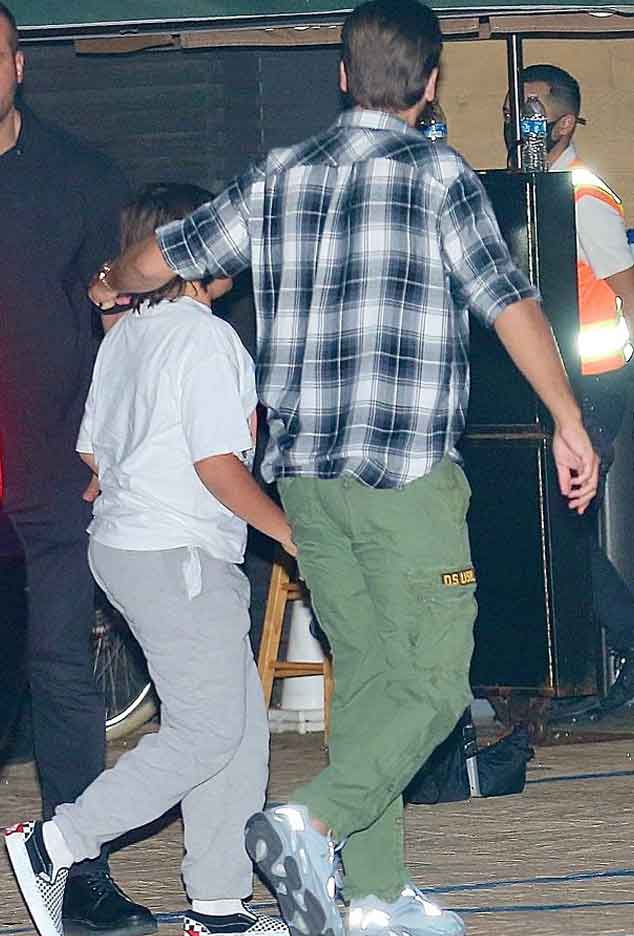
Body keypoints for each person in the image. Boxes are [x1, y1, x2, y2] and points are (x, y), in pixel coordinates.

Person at [85, 4, 599, 935]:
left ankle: (372, 894)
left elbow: (161, 255)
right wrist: (568, 418)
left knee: (366, 683)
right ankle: (313, 820)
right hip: (405, 479)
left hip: (309, 488)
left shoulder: (278, 174)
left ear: (341, 75)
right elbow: (509, 301)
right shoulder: (438, 175)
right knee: (435, 681)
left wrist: (115, 282)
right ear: (431, 84)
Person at [5, 181, 295, 936]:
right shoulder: (206, 340)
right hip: (178, 555)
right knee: (206, 731)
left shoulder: (127, 336)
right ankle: (58, 843)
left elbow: (93, 454)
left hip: (129, 546)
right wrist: (293, 535)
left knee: (237, 729)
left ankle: (219, 904)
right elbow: (218, 467)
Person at [0, 4, 158, 931]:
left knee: (61, 669)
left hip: (56, 473)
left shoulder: (83, 177)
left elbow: (122, 322)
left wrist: (117, 441)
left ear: (20, 63)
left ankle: (76, 870)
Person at [503, 64, 634, 720]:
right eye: (512, 111)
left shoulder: (582, 196)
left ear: (562, 123)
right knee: (552, 528)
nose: (516, 124)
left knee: (567, 529)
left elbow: (627, 288)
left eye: (530, 113)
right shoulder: (531, 191)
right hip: (554, 382)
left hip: (595, 383)